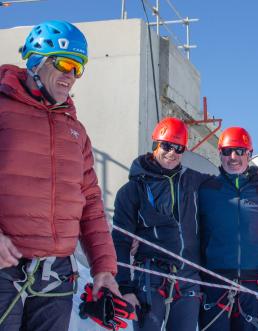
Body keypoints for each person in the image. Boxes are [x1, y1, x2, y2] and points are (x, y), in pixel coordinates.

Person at [0, 20, 118, 331]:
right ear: (36, 61)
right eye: (65, 63)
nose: (71, 75)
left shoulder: (75, 131)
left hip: (56, 277)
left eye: (79, 68)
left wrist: (103, 268)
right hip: (4, 270)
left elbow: (91, 202)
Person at [112, 119, 258, 331]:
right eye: (166, 146)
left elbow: (231, 176)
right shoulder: (132, 190)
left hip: (188, 278)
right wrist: (124, 286)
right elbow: (120, 241)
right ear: (155, 145)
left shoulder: (195, 181)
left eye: (178, 148)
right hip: (152, 276)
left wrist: (255, 171)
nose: (172, 152)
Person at [198, 127, 258, 331]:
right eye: (227, 151)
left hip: (254, 282)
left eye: (240, 151)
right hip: (216, 282)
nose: (233, 157)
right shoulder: (205, 188)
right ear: (220, 154)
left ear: (249, 154)